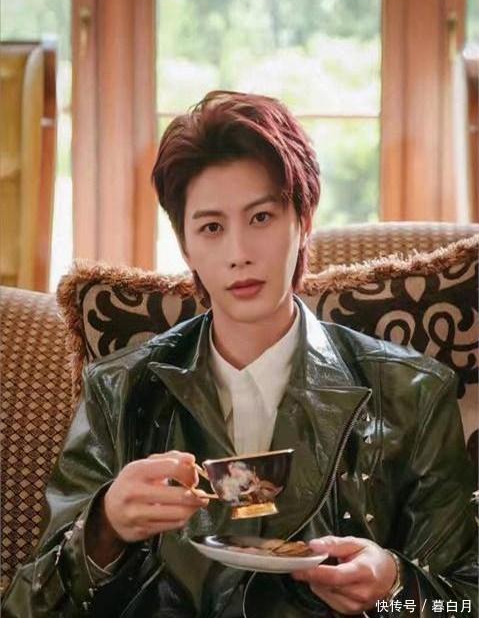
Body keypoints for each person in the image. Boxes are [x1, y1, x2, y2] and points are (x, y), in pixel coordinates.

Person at [3, 91, 477, 618]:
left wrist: (394, 585)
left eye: (261, 217)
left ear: (303, 222)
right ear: (186, 246)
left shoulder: (412, 394)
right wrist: (104, 528)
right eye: (211, 227)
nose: (239, 254)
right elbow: (24, 609)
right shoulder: (120, 390)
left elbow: (465, 602)